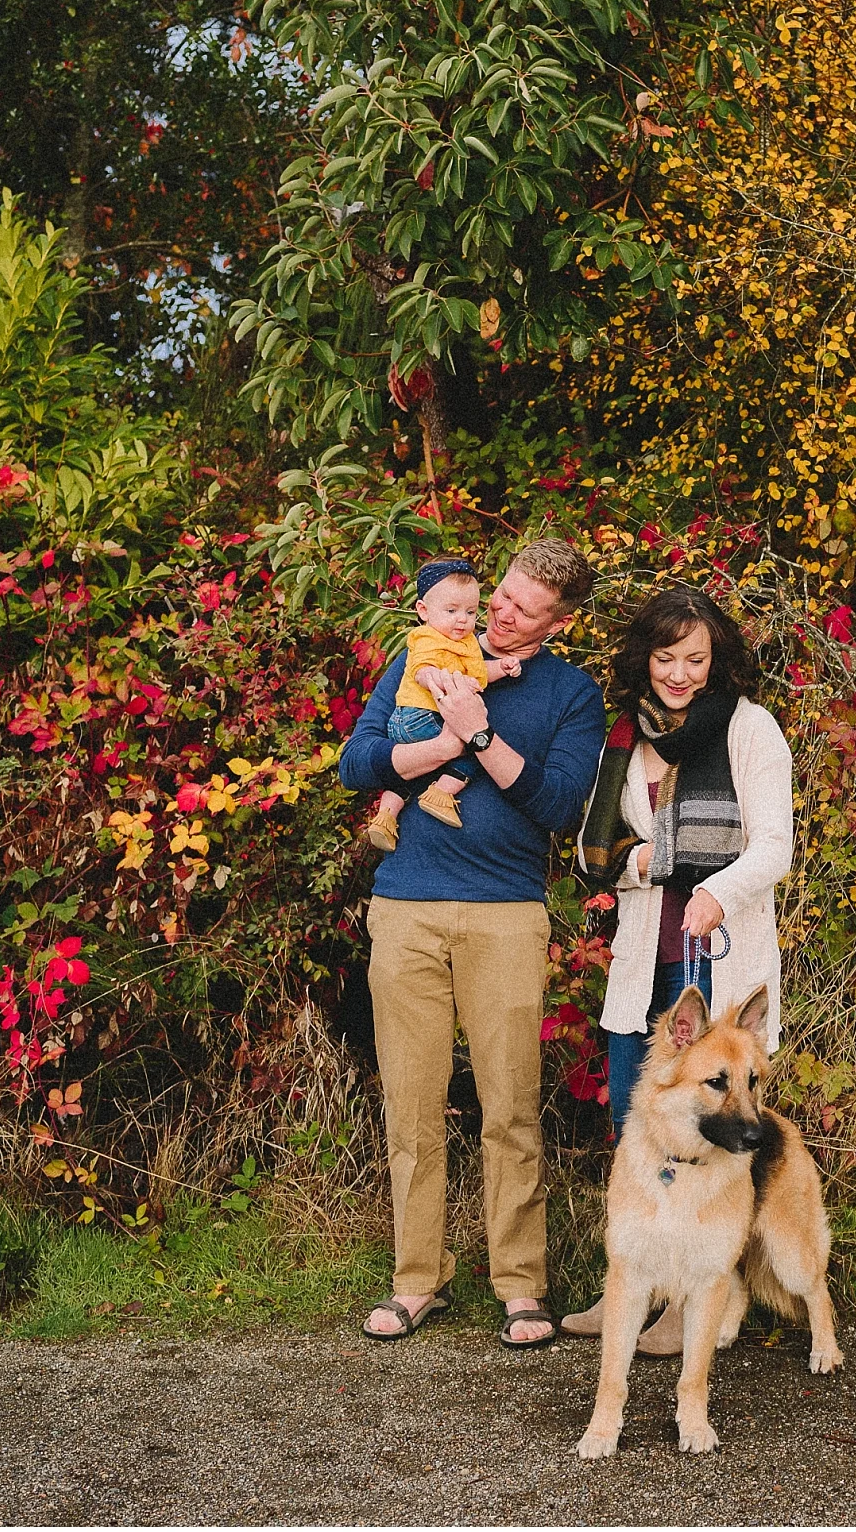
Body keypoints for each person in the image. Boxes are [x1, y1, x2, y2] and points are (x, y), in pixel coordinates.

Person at [339, 537, 605, 1348]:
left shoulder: (571, 693)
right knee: (412, 1106)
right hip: (406, 907)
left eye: (523, 607)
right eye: (503, 592)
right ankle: (417, 1281)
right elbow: (358, 760)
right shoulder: (425, 650)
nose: (500, 609)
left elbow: (561, 806)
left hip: (505, 915)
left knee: (510, 1109)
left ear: (556, 622)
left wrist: (482, 733)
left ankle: (521, 1286)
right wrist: (444, 743)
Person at [560, 584, 795, 1352]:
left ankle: (685, 1305)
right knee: (637, 1135)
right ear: (645, 659)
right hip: (643, 963)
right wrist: (644, 863)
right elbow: (601, 857)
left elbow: (773, 847)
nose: (681, 673)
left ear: (716, 658)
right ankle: (626, 1288)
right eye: (666, 657)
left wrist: (717, 892)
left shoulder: (750, 730)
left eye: (696, 658)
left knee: (707, 1145)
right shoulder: (623, 737)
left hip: (715, 967)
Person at [364, 556, 523, 852]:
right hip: (421, 717)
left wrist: (502, 667)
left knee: (409, 775)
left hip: (407, 724)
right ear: (423, 611)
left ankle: (385, 817)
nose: (462, 619)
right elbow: (422, 669)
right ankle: (441, 794)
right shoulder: (427, 637)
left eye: (470, 611)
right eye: (451, 611)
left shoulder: (465, 643)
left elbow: (477, 673)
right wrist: (440, 680)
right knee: (479, 747)